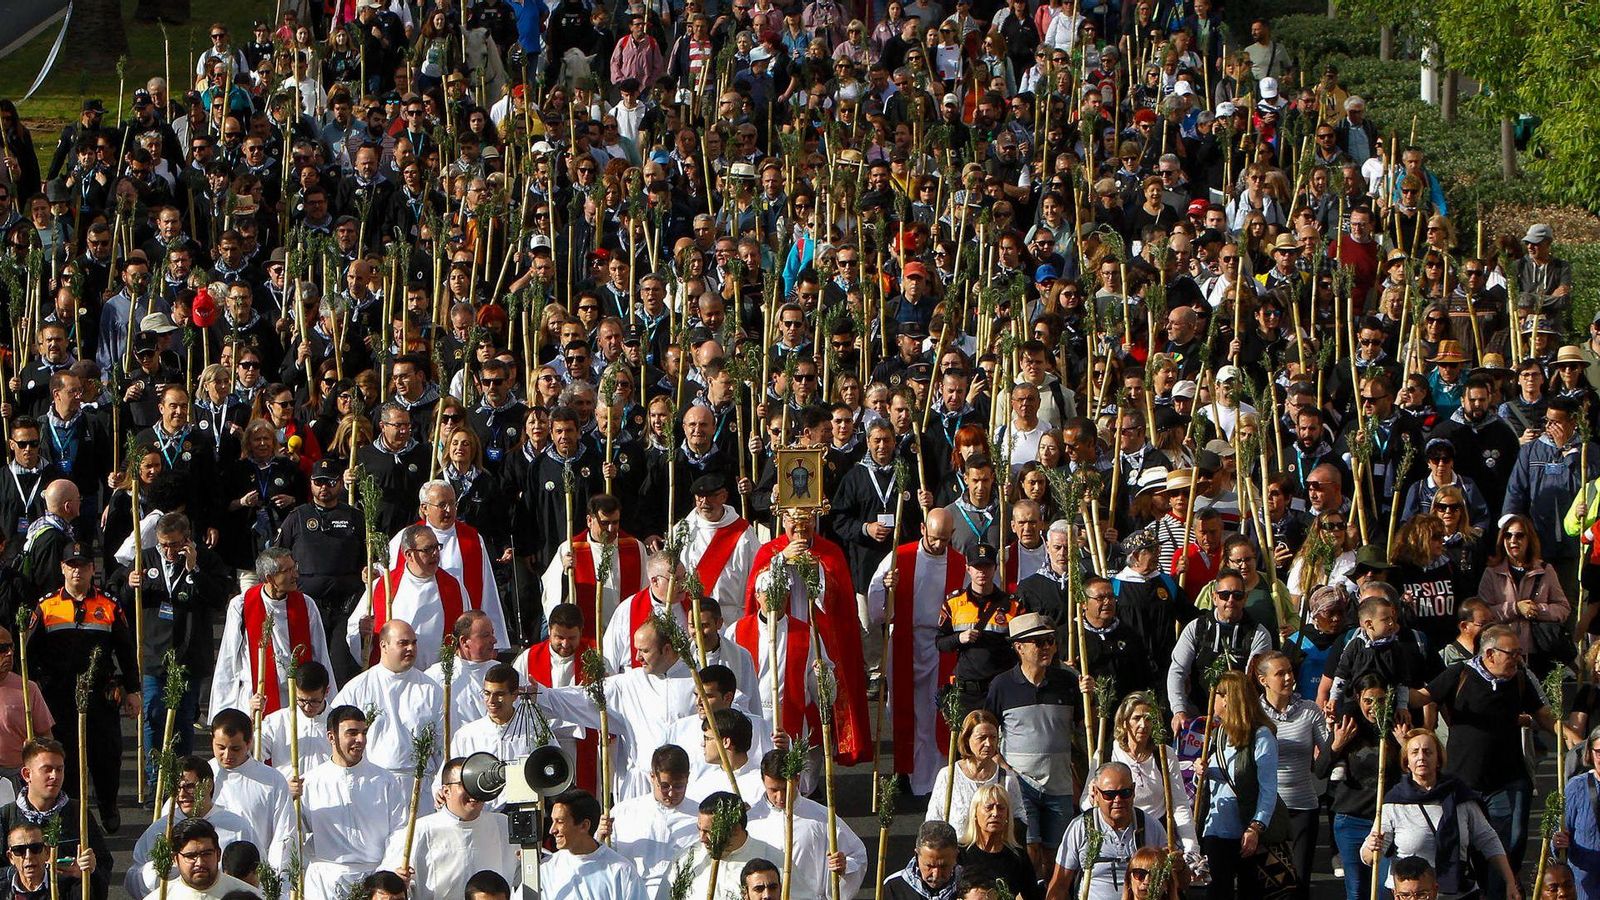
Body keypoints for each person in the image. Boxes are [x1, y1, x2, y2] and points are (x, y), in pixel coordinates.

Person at [1410, 624, 1553, 895]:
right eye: (1512, 653)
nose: (1517, 659)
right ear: (1490, 654)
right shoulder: (1459, 673)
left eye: (1519, 653)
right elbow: (1424, 697)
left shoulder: (1520, 678)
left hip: (1507, 781)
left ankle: (1503, 891)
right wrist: (1392, 693)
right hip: (1465, 783)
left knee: (1507, 847)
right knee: (1466, 848)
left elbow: (1542, 713)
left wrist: (1564, 731)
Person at [22, 542, 139, 834]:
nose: (77, 571)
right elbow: (29, 654)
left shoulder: (109, 605)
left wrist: (133, 690)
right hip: (59, 697)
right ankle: (74, 812)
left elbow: (126, 651)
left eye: (83, 565)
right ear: (62, 568)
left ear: (92, 569)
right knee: (67, 758)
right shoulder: (47, 606)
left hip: (99, 695)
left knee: (107, 755)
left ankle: (108, 805)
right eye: (71, 565)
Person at [869, 509, 966, 793]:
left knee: (934, 712)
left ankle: (933, 780)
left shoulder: (959, 563)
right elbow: (877, 606)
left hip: (941, 646)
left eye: (944, 540)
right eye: (934, 538)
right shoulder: (902, 557)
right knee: (902, 709)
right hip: (905, 641)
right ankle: (905, 771)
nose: (938, 545)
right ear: (923, 528)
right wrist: (888, 589)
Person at [1362, 729, 1521, 900]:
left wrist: (1510, 882)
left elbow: (1488, 840)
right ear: (1407, 761)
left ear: (1438, 759)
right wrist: (1372, 848)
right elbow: (1369, 856)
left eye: (1428, 752)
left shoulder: (1460, 796)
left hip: (1459, 894)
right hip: (1411, 896)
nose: (1421, 757)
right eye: (1415, 752)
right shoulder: (1394, 803)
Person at [985, 612, 1082, 874]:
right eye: (1039, 643)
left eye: (1050, 641)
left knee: (1059, 856)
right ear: (1019, 647)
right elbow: (985, 732)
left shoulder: (1068, 682)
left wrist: (1093, 698)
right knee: (1028, 852)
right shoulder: (1002, 685)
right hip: (1020, 784)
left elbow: (1085, 727)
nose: (1047, 648)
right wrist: (1004, 768)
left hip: (1059, 784)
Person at [291, 703, 409, 899]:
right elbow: (296, 833)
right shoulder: (310, 782)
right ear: (331, 736)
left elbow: (399, 830)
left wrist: (387, 872)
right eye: (352, 733)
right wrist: (290, 800)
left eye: (363, 732)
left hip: (374, 879)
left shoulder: (385, 781)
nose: (360, 740)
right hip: (325, 882)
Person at [209, 547, 337, 716]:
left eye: (294, 567)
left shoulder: (306, 605)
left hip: (296, 700)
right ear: (270, 578)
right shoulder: (241, 605)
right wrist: (223, 713)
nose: (295, 575)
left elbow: (321, 655)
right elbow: (229, 659)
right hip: (257, 698)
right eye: (288, 571)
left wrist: (331, 708)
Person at [383, 755, 520, 900]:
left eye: (477, 783)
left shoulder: (504, 826)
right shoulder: (418, 831)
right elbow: (386, 885)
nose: (473, 791)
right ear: (446, 791)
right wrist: (398, 882)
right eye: (464, 784)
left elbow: (525, 875)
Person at [1194, 671, 1279, 899]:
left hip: (1245, 831)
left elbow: (1269, 789)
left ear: (1228, 699)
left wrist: (1256, 827)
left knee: (1248, 891)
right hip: (1216, 828)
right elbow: (1214, 778)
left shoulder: (1261, 737)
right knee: (1217, 891)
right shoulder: (1218, 734)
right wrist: (1200, 771)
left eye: (1217, 694)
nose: (1212, 699)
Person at [126, 756, 259, 897]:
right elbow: (134, 879)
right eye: (177, 788)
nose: (182, 794)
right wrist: (159, 871)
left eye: (189, 786)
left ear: (208, 785)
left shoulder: (236, 826)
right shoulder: (159, 830)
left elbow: (260, 871)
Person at [1254, 651, 1329, 900]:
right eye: (1280, 673)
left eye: (1290, 671)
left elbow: (1327, 751)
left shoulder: (1309, 710)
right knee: (1268, 883)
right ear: (1262, 679)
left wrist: (1337, 743)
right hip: (1266, 812)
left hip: (1302, 806)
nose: (1288, 677)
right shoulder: (1253, 713)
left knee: (1298, 883)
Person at [329, 620, 443, 780]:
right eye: (403, 643)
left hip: (419, 782)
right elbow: (336, 733)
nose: (410, 648)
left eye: (414, 643)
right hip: (373, 782)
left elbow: (443, 744)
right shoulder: (358, 688)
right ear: (384, 646)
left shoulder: (431, 689)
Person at [0, 740, 106, 900]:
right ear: (27, 774)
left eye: (59, 769)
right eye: (47, 769)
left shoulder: (78, 813)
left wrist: (88, 872)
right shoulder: (6, 816)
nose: (54, 776)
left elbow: (103, 866)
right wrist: (33, 866)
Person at [1045, 762, 1169, 900]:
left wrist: (1180, 869)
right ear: (1096, 793)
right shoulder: (1081, 828)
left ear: (1133, 791)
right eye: (1109, 795)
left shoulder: (1151, 827)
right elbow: (1059, 885)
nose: (1118, 800)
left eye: (1125, 793)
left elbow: (1176, 883)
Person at [605, 744, 699, 896]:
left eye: (678, 787)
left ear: (687, 778)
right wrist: (601, 839)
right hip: (633, 892)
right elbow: (605, 857)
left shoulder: (700, 816)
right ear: (652, 777)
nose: (671, 793)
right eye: (664, 786)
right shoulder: (623, 812)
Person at [665, 792, 780, 900]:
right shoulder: (684, 860)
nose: (702, 838)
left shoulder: (774, 860)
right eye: (699, 829)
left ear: (735, 829)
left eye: (710, 832)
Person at [926, 710, 1025, 834]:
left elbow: (1019, 819)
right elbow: (933, 821)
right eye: (982, 738)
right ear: (967, 738)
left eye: (993, 737)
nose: (988, 744)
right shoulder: (948, 775)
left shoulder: (1006, 778)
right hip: (957, 851)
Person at [142, 817, 258, 900]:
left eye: (206, 854)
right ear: (175, 859)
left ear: (218, 854)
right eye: (190, 856)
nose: (200, 863)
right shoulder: (162, 897)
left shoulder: (247, 895)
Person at [959, 785, 1040, 900]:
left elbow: (1032, 895)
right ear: (975, 813)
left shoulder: (1018, 857)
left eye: (1001, 808)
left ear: (1007, 815)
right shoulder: (960, 853)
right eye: (989, 807)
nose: (995, 813)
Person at [882, 821, 963, 900]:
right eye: (929, 866)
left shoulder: (970, 885)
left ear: (955, 856)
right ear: (917, 856)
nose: (936, 875)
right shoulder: (893, 888)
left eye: (944, 866)